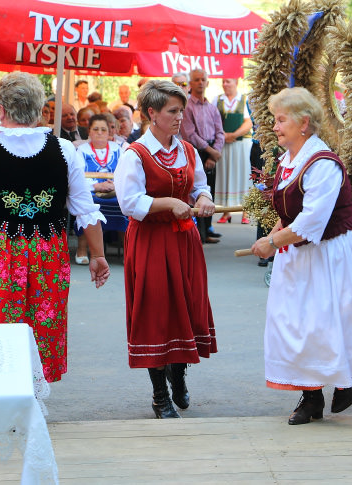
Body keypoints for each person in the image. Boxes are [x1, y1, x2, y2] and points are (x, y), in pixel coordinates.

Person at [0, 71, 110, 382]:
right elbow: (85, 209)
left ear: (0, 109)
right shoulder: (65, 149)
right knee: (40, 326)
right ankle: (32, 396)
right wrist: (98, 255)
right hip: (46, 253)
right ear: (41, 111)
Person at [250, 87, 352, 425]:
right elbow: (289, 210)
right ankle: (312, 396)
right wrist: (275, 234)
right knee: (296, 324)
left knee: (321, 323)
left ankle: (342, 379)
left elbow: (311, 224)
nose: (275, 127)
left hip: (327, 252)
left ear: (304, 123)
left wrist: (272, 243)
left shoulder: (323, 164)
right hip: (297, 254)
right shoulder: (289, 159)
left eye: (280, 120)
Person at [115, 80, 217, 419]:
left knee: (184, 308)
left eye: (181, 110)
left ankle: (178, 375)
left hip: (184, 240)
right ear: (151, 113)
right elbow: (129, 201)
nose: (179, 117)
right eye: (172, 111)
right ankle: (160, 394)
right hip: (150, 240)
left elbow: (201, 186)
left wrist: (203, 199)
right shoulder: (135, 154)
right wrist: (169, 202)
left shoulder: (187, 150)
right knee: (156, 311)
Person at [181, 69, 225, 244]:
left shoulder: (212, 108)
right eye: (196, 80)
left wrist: (214, 154)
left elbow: (220, 132)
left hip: (211, 151)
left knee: (209, 190)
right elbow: (190, 134)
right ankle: (198, 231)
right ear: (190, 83)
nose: (200, 82)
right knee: (195, 190)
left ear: (207, 82)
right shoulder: (187, 107)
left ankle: (207, 228)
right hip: (196, 151)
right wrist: (210, 151)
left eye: (203, 80)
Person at [74, 114, 125, 264]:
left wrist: (115, 185)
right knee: (86, 205)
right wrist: (95, 185)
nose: (100, 132)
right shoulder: (81, 150)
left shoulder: (119, 149)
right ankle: (82, 249)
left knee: (124, 206)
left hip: (114, 191)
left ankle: (127, 251)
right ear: (89, 132)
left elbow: (125, 173)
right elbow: (76, 175)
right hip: (90, 191)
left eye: (104, 129)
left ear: (109, 132)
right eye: (95, 129)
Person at [215, 78, 252, 224]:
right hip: (224, 143)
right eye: (223, 81)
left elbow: (249, 122)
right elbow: (213, 120)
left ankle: (246, 211)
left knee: (244, 174)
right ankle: (226, 211)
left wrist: (233, 135)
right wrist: (223, 135)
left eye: (228, 81)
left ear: (236, 83)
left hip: (242, 143)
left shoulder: (244, 99)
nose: (225, 84)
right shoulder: (217, 99)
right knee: (226, 174)